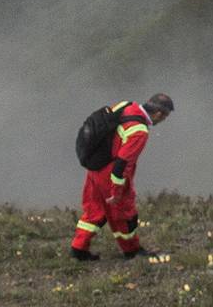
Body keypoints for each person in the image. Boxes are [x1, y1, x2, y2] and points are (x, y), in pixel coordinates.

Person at [70, 93, 174, 262]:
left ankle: (78, 249)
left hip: (96, 164)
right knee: (124, 213)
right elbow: (123, 163)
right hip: (110, 172)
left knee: (94, 208)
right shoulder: (139, 131)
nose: (162, 121)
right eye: (165, 117)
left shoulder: (126, 106)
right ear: (159, 114)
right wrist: (116, 190)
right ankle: (132, 250)